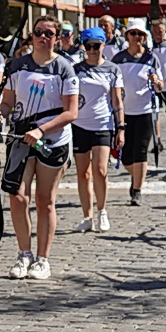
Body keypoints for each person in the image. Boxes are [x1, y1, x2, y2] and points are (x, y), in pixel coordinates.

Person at [0, 19, 79, 279]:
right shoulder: (18, 65)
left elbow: (71, 112)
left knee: (45, 200)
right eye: (38, 32)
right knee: (18, 196)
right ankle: (24, 254)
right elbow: (8, 103)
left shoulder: (64, 68)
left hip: (51, 142)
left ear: (57, 38)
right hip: (21, 138)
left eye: (49, 33)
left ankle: (42, 259)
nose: (43, 37)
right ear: (31, 35)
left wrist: (42, 131)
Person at [70, 27, 121, 233]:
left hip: (103, 125)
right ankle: (87, 216)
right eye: (88, 46)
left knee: (100, 170)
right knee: (83, 173)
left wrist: (121, 127)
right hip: (79, 124)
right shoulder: (75, 69)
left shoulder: (112, 69)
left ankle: (102, 210)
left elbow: (116, 100)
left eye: (96, 46)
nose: (92, 50)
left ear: (103, 45)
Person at [110, 25, 161, 206]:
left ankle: (137, 190)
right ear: (127, 36)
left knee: (141, 150)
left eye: (140, 34)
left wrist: (156, 82)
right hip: (124, 112)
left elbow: (160, 86)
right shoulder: (118, 59)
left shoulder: (151, 58)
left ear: (145, 37)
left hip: (145, 110)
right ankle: (137, 175)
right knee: (125, 156)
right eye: (133, 33)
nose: (136, 37)